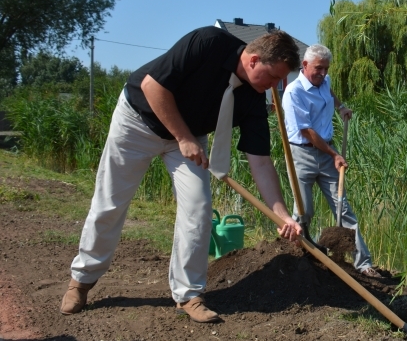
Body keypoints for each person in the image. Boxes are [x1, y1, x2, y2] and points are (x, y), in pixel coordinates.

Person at [61, 26, 303, 323]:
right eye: (274, 77)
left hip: (189, 136)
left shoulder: (253, 98)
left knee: (198, 209)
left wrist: (282, 216)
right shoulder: (207, 43)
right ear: (253, 60)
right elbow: (153, 86)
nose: (274, 87)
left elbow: (261, 163)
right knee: (110, 203)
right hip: (139, 120)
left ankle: (188, 294)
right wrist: (183, 137)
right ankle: (81, 280)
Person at [281, 44, 378, 277]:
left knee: (343, 208)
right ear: (304, 65)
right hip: (301, 154)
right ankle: (295, 258)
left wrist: (341, 107)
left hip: (326, 153)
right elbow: (307, 131)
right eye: (318, 68)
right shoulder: (293, 92)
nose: (323, 74)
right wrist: (334, 154)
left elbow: (329, 93)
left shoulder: (325, 81)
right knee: (303, 212)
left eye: (326, 68)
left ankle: (363, 263)